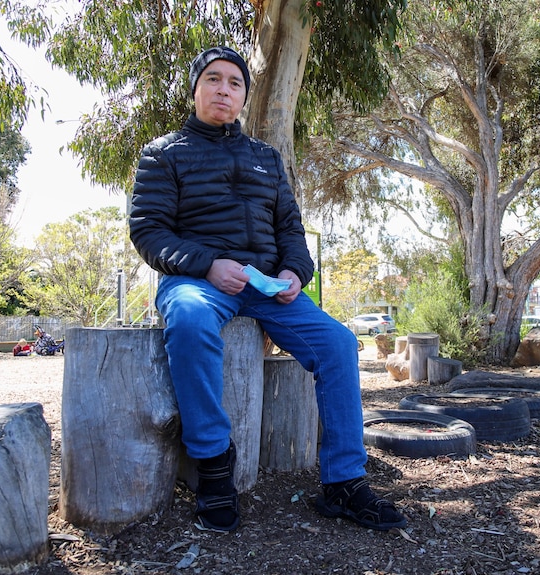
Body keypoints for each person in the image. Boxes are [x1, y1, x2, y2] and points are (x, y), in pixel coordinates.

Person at [129, 46, 407, 533]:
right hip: (198, 281)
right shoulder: (162, 154)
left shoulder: (266, 159)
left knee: (339, 343)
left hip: (266, 286)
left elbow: (290, 231)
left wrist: (295, 275)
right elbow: (149, 231)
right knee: (190, 319)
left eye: (235, 83)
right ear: (195, 89)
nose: (224, 89)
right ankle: (213, 462)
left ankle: (344, 481)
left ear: (243, 96)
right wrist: (209, 265)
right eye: (213, 80)